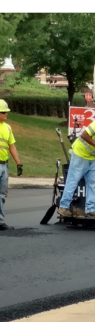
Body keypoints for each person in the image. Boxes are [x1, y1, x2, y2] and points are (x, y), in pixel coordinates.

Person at [0, 99, 23, 231]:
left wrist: (18, 163)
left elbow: (11, 146)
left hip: (4, 165)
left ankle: (0, 221)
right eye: (4, 112)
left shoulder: (7, 127)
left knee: (2, 195)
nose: (6, 114)